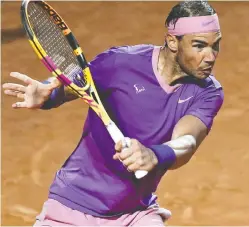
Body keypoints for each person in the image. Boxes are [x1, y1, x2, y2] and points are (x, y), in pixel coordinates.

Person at [3, 1, 224, 226]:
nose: (211, 56)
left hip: (135, 214)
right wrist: (46, 95)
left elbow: (187, 141)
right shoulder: (121, 63)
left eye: (215, 46)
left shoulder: (209, 92)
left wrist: (155, 154)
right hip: (71, 207)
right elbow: (71, 84)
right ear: (172, 42)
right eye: (199, 46)